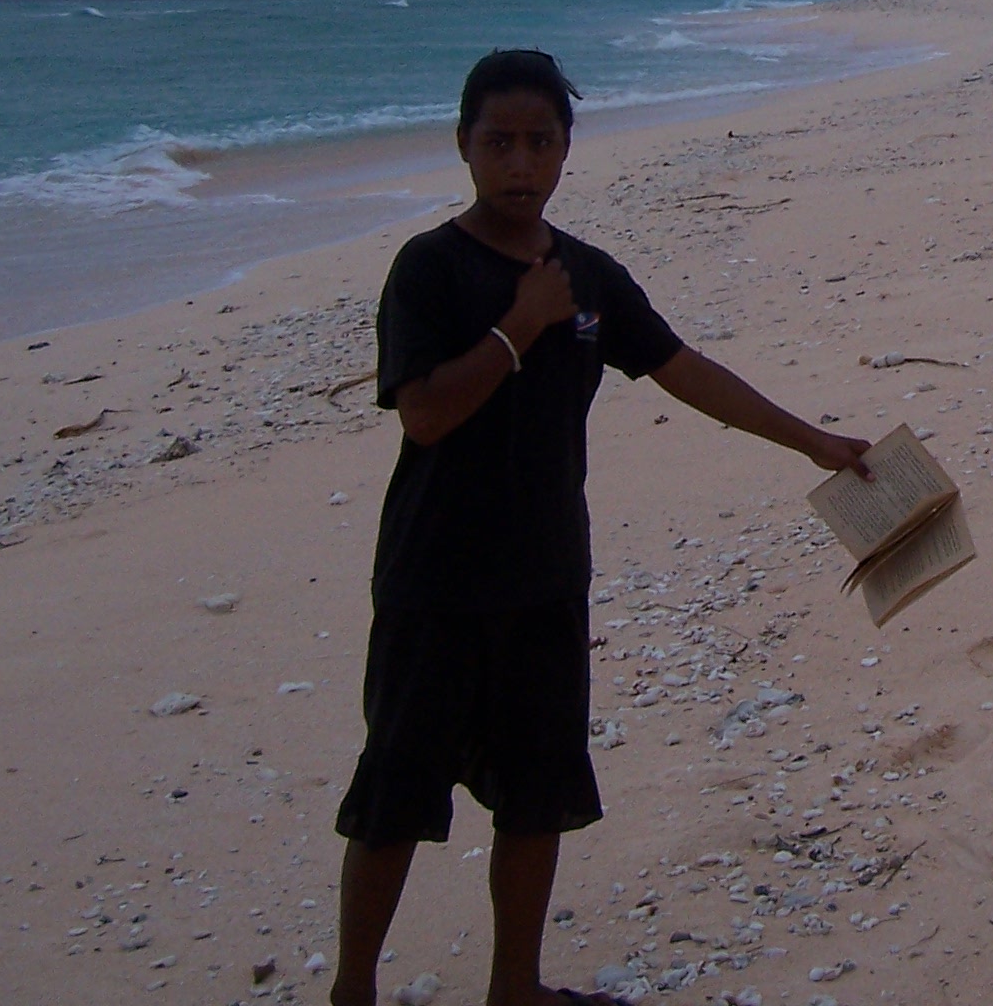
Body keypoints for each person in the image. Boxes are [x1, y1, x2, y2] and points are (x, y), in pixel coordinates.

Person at [329, 49, 869, 1006]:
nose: (521, 164)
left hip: (543, 577)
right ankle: (353, 989)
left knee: (538, 791)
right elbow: (423, 413)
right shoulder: (430, 269)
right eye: (500, 143)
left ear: (568, 150)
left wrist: (812, 440)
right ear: (463, 148)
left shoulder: (591, 275)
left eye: (541, 142)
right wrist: (519, 326)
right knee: (396, 794)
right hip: (435, 580)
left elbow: (684, 369)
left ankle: (516, 989)